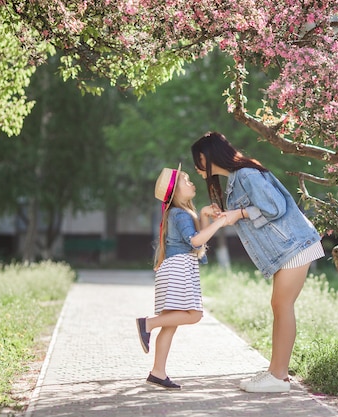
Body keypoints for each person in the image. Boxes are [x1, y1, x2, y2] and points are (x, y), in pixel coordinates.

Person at [191, 132, 325, 393]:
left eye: (197, 161)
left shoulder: (246, 174)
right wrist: (232, 214)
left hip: (295, 244)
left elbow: (274, 208)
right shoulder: (238, 177)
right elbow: (259, 209)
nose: (197, 167)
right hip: (287, 247)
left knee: (281, 304)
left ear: (206, 157)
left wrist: (239, 213)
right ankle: (277, 374)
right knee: (279, 305)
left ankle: (279, 376)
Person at [136, 164, 227, 390]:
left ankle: (158, 372)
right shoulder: (179, 214)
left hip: (175, 266)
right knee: (194, 314)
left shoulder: (179, 213)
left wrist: (204, 215)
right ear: (175, 191)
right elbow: (195, 242)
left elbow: (198, 240)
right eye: (186, 181)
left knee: (171, 324)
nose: (191, 182)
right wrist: (220, 222)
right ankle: (147, 323)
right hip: (179, 267)